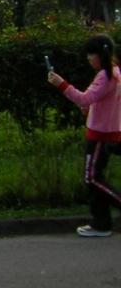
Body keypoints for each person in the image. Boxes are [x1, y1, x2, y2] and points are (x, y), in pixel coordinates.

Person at [48, 34, 121, 237]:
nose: (88, 58)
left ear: (100, 55)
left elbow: (84, 98)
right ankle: (101, 224)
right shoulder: (114, 72)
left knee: (92, 179)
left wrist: (61, 84)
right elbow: (101, 101)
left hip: (100, 135)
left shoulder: (106, 76)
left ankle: (103, 221)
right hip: (107, 131)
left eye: (91, 54)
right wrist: (90, 109)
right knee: (96, 178)